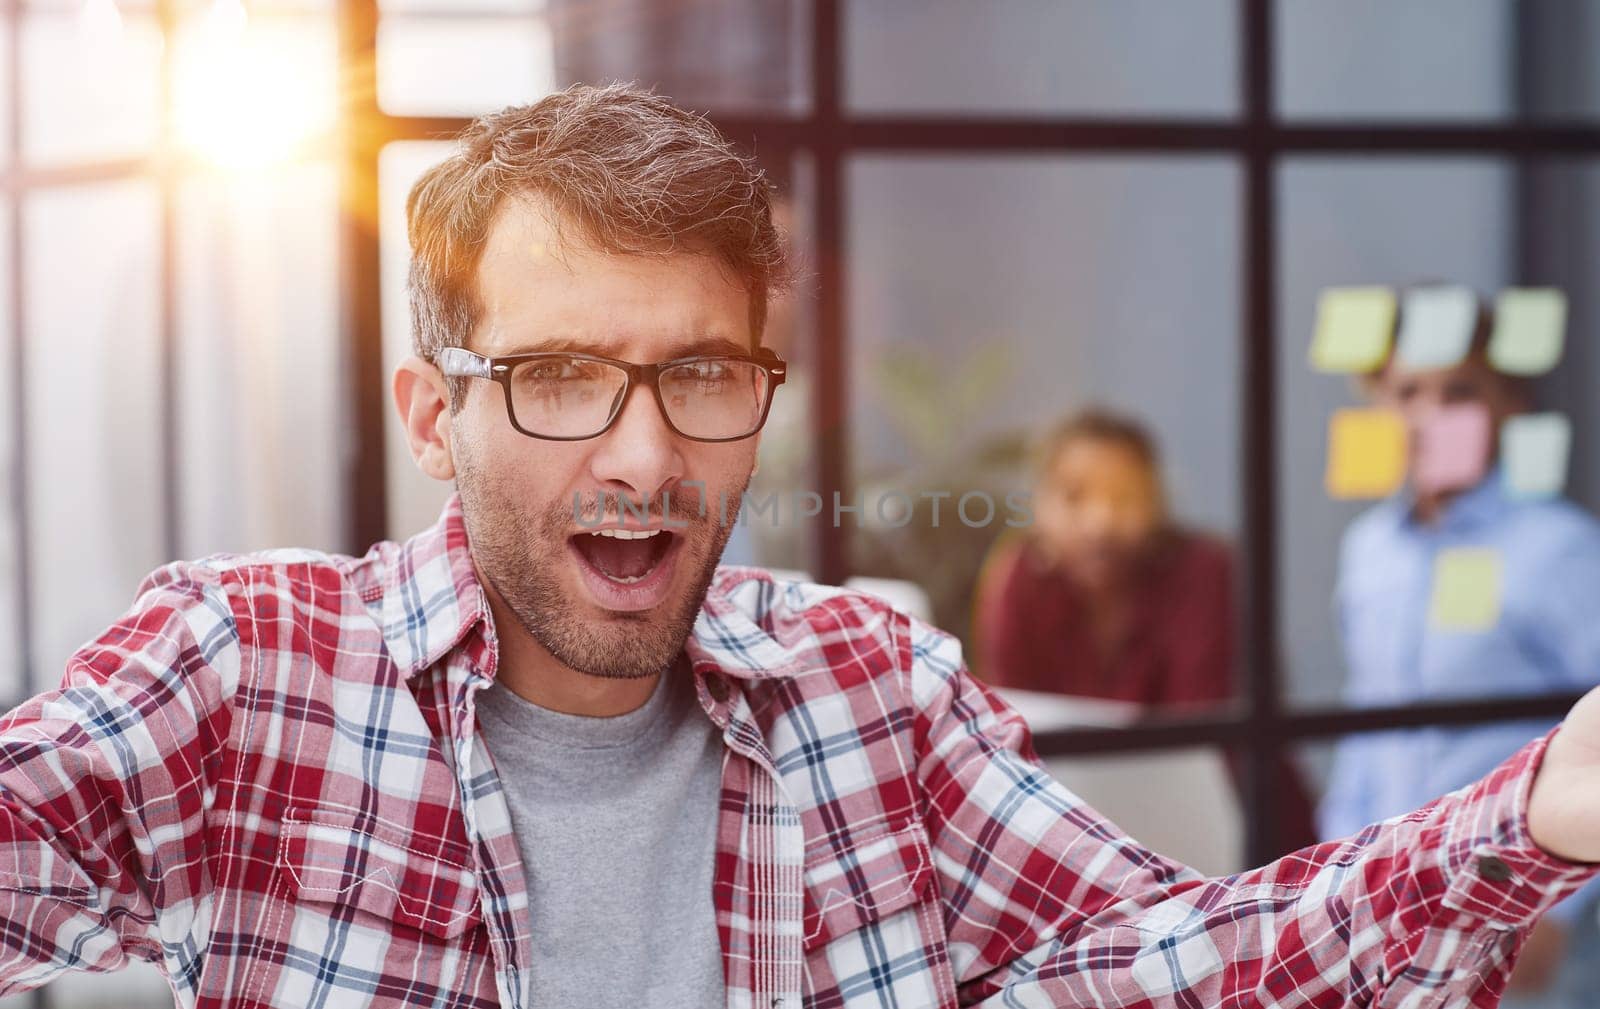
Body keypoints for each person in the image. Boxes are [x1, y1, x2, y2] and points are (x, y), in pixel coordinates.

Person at [4, 85, 1600, 1009]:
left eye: (703, 374)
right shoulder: (246, 673)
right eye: (561, 378)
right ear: (434, 416)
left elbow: (1171, 968)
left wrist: (1541, 809)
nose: (645, 455)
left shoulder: (870, 692)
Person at [1320, 286, 1600, 1007]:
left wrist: (1556, 908)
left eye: (1461, 391)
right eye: (1408, 390)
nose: (1429, 415)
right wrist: (1331, 881)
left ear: (1507, 404)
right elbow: (1364, 723)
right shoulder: (1369, 550)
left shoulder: (1557, 548)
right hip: (1385, 922)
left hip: (1519, 926)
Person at [975, 409, 1318, 854]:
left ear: (1158, 501)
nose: (1101, 521)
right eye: (1074, 497)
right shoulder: (1019, 579)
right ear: (1039, 505)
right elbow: (1013, 737)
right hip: (1077, 844)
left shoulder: (1207, 572)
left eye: (1125, 496)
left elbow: (1200, 746)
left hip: (1232, 838)